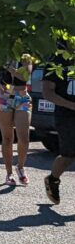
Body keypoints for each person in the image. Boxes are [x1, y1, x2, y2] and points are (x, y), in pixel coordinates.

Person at [0, 56, 35, 186]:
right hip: (3, 96)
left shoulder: (26, 56)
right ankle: (9, 173)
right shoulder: (1, 51)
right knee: (8, 137)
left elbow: (24, 77)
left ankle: (20, 167)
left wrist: (8, 67)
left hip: (22, 97)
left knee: (24, 137)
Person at [44, 54, 75, 205]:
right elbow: (47, 92)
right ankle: (52, 179)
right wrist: (71, 105)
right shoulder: (56, 61)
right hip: (67, 117)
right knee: (68, 156)